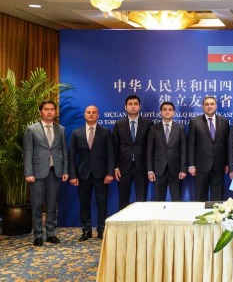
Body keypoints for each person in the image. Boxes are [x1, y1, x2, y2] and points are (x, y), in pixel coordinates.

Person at [23, 100, 69, 246]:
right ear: (40, 111)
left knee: (52, 205)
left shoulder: (61, 129)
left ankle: (51, 234)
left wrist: (65, 170)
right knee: (37, 205)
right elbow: (28, 152)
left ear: (55, 112)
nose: (49, 112)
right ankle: (38, 235)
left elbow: (64, 151)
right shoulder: (31, 129)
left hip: (55, 172)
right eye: (46, 109)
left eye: (52, 109)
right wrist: (28, 173)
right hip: (36, 174)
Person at [68, 105, 114, 241]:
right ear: (85, 115)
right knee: (84, 203)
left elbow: (110, 154)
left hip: (101, 174)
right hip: (83, 174)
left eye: (94, 112)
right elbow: (72, 156)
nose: (91, 114)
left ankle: (101, 229)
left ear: (98, 115)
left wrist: (109, 173)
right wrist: (73, 175)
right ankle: (86, 230)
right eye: (88, 112)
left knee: (102, 203)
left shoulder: (105, 132)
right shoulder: (76, 133)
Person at [113, 95, 152, 210]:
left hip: (142, 166)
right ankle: (123, 221)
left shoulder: (148, 123)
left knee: (142, 200)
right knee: (123, 199)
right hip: (123, 167)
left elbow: (150, 147)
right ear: (125, 107)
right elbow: (115, 147)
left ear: (140, 106)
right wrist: (115, 167)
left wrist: (150, 168)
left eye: (136, 104)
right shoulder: (118, 124)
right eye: (130, 104)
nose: (133, 106)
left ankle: (142, 221)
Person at [187, 96, 230, 201]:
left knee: (217, 198)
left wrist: (227, 163)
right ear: (203, 107)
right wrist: (191, 165)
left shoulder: (224, 121)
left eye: (212, 104)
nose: (209, 106)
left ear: (216, 106)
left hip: (218, 166)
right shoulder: (195, 122)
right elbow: (191, 145)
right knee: (200, 197)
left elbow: (227, 144)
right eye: (207, 104)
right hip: (201, 166)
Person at [147, 101, 187, 201]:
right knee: (159, 199)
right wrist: (150, 170)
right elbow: (150, 151)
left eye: (170, 110)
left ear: (174, 112)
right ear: (160, 112)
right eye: (164, 110)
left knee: (176, 199)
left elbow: (183, 150)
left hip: (176, 170)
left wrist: (183, 169)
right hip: (158, 170)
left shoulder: (180, 128)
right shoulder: (153, 129)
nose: (167, 112)